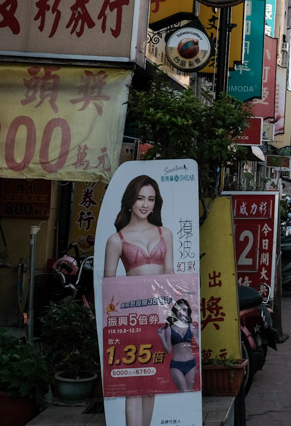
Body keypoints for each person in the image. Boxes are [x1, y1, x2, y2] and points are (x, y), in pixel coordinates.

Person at [104, 176, 176, 426]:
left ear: (156, 203)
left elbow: (170, 277)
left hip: (160, 317)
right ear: (130, 201)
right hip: (131, 318)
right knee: (133, 383)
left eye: (151, 199)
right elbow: (109, 289)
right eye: (140, 198)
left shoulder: (165, 233)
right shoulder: (116, 240)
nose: (145, 204)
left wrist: (173, 319)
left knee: (151, 382)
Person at [157, 299, 199, 392]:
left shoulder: (191, 326)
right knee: (183, 391)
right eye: (179, 309)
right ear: (175, 311)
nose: (181, 312)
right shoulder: (169, 328)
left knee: (189, 392)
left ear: (187, 312)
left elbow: (199, 342)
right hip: (176, 365)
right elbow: (168, 350)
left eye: (184, 309)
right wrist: (161, 337)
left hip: (191, 364)